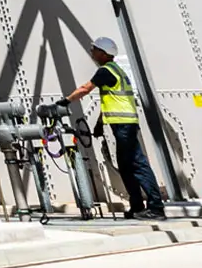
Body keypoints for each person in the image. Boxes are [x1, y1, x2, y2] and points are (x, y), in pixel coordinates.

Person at [66, 34, 166, 219]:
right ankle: (137, 206)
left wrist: (64, 102)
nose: (92, 53)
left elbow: (85, 89)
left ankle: (156, 208)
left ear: (103, 53)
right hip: (124, 124)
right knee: (127, 166)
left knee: (138, 165)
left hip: (123, 126)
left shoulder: (105, 71)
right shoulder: (117, 71)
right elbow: (113, 100)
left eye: (94, 50)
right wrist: (99, 123)